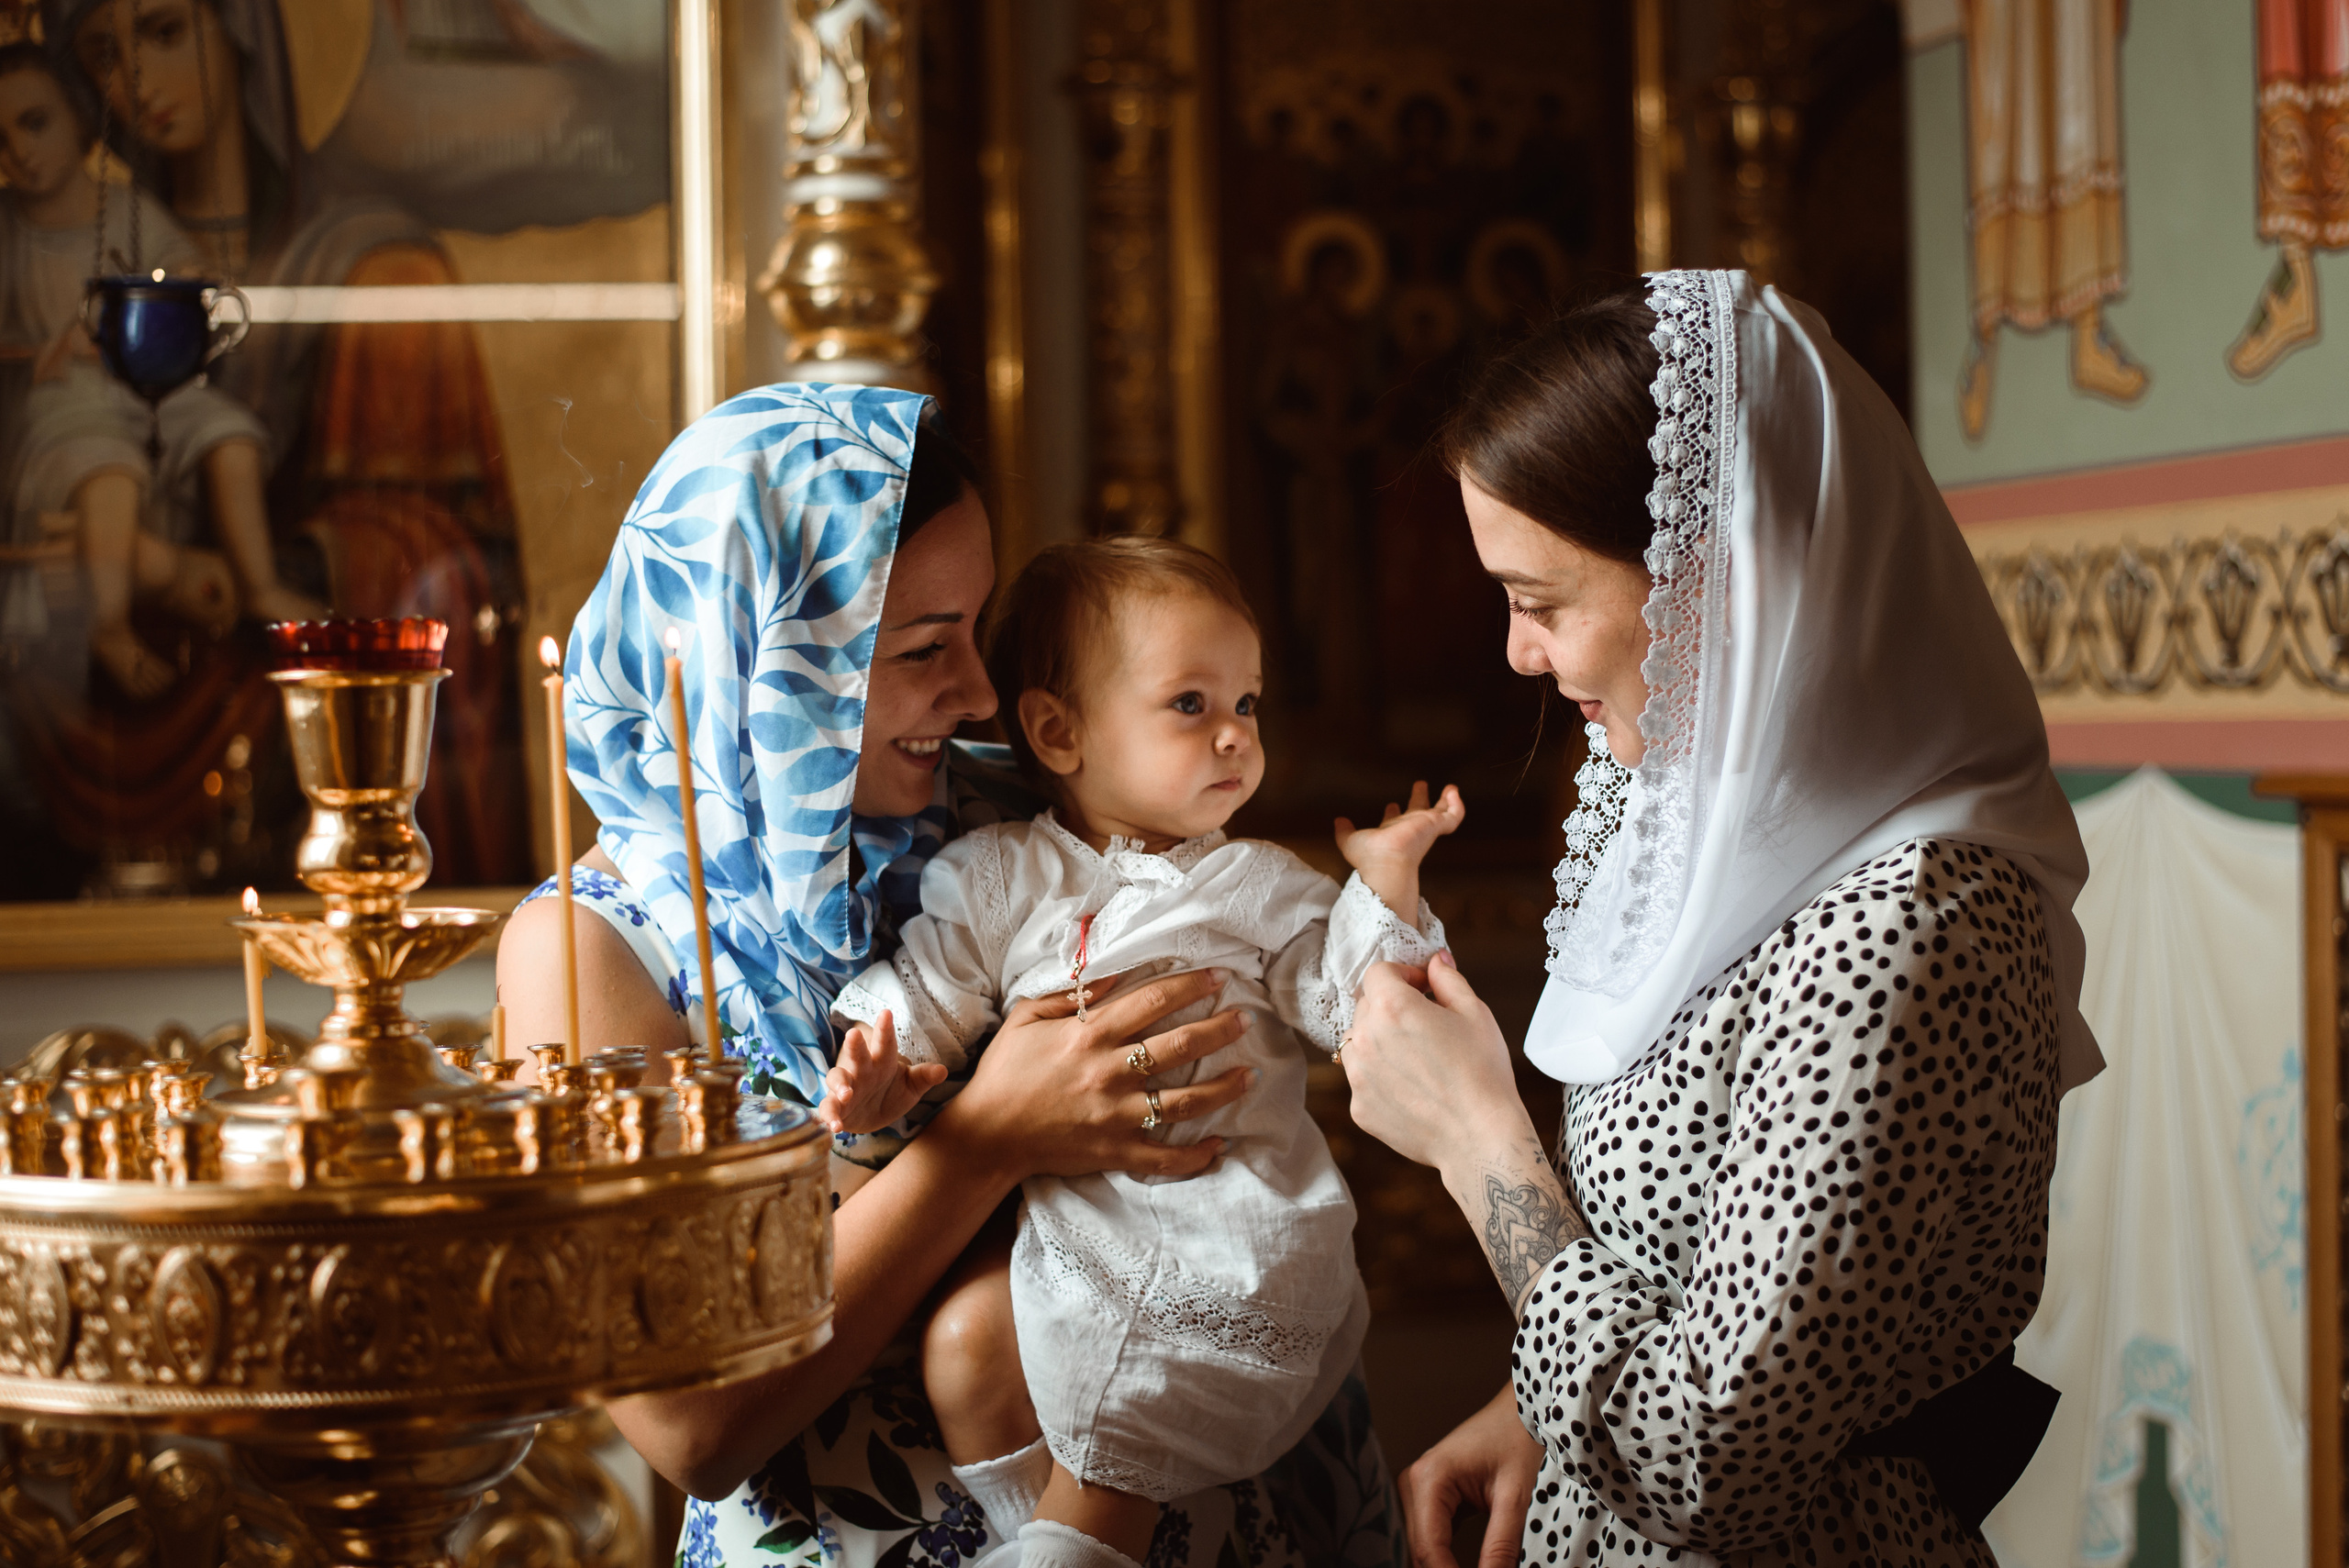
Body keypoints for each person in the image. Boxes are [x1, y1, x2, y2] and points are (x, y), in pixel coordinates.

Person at [497, 384, 1407, 1568]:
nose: (980, 694)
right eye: (926, 647)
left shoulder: (1021, 802)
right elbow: (691, 1422)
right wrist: (985, 1140)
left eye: (976, 630)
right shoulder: (593, 948)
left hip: (1233, 1502)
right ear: (762, 653)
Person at [1337, 272, 2098, 1564]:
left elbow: (1712, 1463)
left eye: (1542, 600)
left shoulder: (1908, 925)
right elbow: (1711, 1291)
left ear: (1718, 580)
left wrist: (1479, 1145)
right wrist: (1540, 1410)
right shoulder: (1714, 850)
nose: (1519, 652)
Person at [816, 536, 1461, 1567]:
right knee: (965, 1351)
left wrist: (1383, 884)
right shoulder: (999, 875)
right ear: (1058, 732)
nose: (1235, 734)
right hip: (1080, 1225)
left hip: (1227, 1222)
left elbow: (1348, 1000)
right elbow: (931, 986)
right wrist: (879, 1065)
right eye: (1190, 704)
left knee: (1126, 1409)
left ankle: (1080, 1537)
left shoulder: (1256, 883)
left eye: (1246, 703)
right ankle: (1041, 1539)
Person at [0, 41, 314, 696]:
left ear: (79, 117)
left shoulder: (124, 209)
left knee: (228, 431)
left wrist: (189, 281)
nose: (19, 151)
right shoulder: (7, 232)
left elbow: (182, 265)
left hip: (142, 381)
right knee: (107, 469)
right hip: (62, 406)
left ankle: (260, 585)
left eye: (34, 123)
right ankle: (109, 626)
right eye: (0, 140)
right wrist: (42, 349)